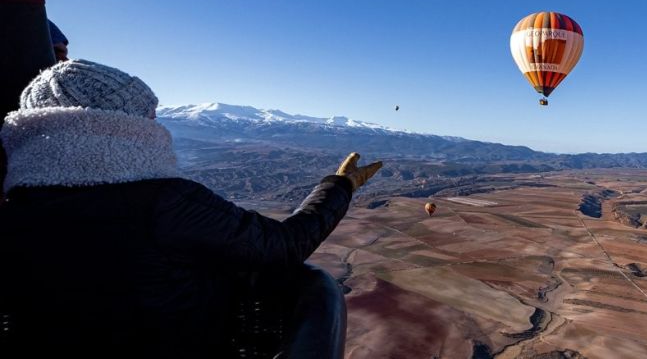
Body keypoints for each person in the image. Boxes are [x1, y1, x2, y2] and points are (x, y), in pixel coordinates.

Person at [0, 59, 382, 358]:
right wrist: (339, 186)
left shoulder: (16, 209)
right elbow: (280, 247)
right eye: (147, 114)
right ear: (114, 125)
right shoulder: (163, 202)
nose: (156, 122)